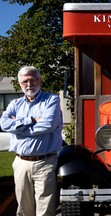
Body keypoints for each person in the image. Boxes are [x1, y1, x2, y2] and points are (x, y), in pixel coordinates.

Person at [0, 66, 63, 216]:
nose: (29, 85)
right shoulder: (15, 104)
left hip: (45, 162)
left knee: (46, 208)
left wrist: (18, 127)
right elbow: (3, 124)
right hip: (21, 163)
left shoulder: (51, 100)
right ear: (20, 83)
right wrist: (32, 120)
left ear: (39, 81)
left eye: (32, 80)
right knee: (23, 207)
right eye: (25, 81)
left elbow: (47, 125)